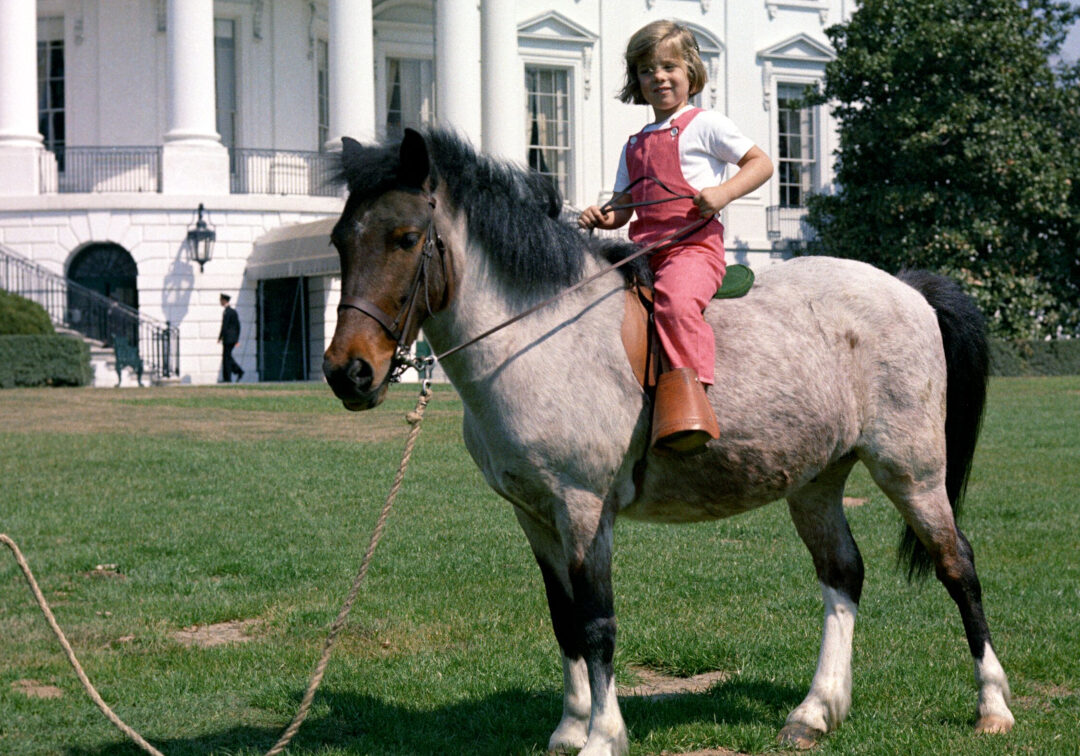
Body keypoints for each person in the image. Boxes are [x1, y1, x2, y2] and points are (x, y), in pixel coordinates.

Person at [578, 19, 773, 454]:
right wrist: (602, 215)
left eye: (669, 67)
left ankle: (692, 400)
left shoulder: (706, 124)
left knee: (675, 303)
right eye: (647, 70)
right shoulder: (634, 143)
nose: (659, 77)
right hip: (640, 252)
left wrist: (723, 193)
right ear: (637, 79)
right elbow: (623, 209)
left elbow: (760, 163)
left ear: (690, 72)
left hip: (692, 249)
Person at [218, 293, 244, 382]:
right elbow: (238, 326)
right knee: (227, 357)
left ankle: (231, 376)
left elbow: (224, 326)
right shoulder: (232, 312)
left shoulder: (227, 312)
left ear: (224, 300)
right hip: (231, 338)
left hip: (228, 338)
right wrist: (236, 339)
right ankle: (236, 372)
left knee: (226, 358)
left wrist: (220, 336)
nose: (220, 301)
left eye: (221, 300)